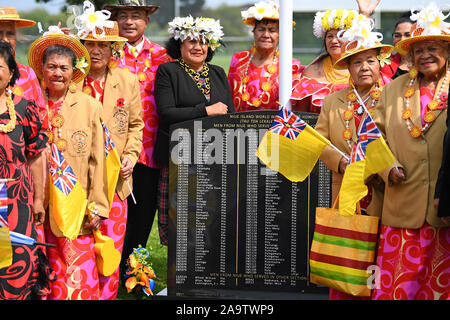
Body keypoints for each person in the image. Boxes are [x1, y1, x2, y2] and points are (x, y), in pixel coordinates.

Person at [372, 3, 450, 300]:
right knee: (398, 290)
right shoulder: (392, 89)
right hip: (402, 206)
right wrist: (386, 167)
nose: (425, 55)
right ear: (410, 55)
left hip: (444, 212)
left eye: (433, 47)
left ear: (446, 49)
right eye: (419, 49)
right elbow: (371, 138)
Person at [314, 14, 393, 300]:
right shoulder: (332, 101)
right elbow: (319, 142)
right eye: (357, 62)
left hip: (384, 193)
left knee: (380, 264)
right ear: (348, 67)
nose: (364, 67)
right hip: (344, 191)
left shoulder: (393, 98)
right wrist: (343, 162)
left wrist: (378, 169)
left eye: (370, 60)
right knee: (346, 262)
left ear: (380, 64)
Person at [28, 27, 109, 300]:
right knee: (41, 267)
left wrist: (97, 204)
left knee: (77, 271)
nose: (57, 73)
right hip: (37, 202)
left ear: (74, 70)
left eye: (64, 67)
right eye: (51, 66)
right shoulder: (29, 104)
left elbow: (99, 161)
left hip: (76, 203)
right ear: (42, 69)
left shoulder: (89, 106)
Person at [75, 2, 144, 300]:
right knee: (81, 247)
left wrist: (131, 157)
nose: (97, 50)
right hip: (78, 182)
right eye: (91, 43)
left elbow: (136, 126)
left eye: (104, 44)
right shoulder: (72, 81)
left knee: (111, 248)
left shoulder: (127, 80)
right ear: (82, 46)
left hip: (116, 183)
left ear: (114, 48)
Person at [104, 0, 172, 276]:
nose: (129, 22)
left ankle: (134, 272)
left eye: (136, 16)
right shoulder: (104, 52)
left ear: (147, 20)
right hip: (111, 149)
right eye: (124, 16)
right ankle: (107, 267)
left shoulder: (162, 56)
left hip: (148, 149)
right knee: (110, 211)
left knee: (143, 214)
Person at [153, 16, 234, 246]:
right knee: (179, 221)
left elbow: (230, 112)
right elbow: (167, 113)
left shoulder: (218, 72)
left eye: (203, 42)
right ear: (180, 44)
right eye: (191, 41)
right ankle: (179, 278)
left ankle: (207, 274)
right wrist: (206, 111)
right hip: (178, 157)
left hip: (213, 156)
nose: (198, 47)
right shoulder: (168, 71)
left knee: (210, 219)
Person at [0, 42, 54, 300]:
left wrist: (39, 200)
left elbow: (36, 157)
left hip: (16, 200)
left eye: (0, 66)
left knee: (16, 261)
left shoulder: (24, 109)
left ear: (11, 73)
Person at [0, 7, 49, 253]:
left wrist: (40, 196)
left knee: (19, 249)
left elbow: (40, 134)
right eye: (0, 33)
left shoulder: (28, 75)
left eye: (10, 33)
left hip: (19, 180)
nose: (5, 39)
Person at [291, 0, 380, 113]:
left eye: (341, 35)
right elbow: (301, 114)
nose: (334, 40)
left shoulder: (366, 68)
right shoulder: (312, 71)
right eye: (329, 36)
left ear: (352, 38)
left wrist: (365, 15)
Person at [227, 1, 304, 112]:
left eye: (272, 30)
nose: (266, 35)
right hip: (239, 126)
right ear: (253, 32)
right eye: (261, 29)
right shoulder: (239, 59)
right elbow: (228, 94)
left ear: (280, 34)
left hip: (274, 127)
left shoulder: (291, 65)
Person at [380, 12, 413, 79]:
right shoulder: (385, 63)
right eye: (397, 36)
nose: (402, 39)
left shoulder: (425, 63)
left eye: (407, 35)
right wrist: (365, 15)